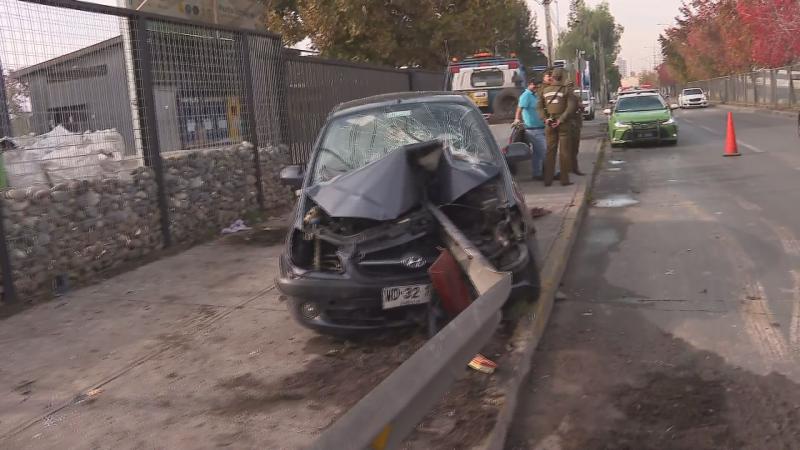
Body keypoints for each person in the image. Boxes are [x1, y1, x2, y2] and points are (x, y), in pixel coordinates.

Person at [536, 67, 577, 186]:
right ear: (562, 77)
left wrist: (545, 119)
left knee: (550, 152)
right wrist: (561, 119)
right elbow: (570, 108)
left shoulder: (544, 91)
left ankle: (548, 180)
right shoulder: (566, 90)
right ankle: (564, 180)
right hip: (563, 124)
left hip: (549, 123)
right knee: (564, 152)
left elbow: (538, 107)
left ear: (552, 77)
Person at [513, 78, 546, 180]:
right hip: (533, 129)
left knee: (536, 153)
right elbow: (519, 108)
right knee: (545, 151)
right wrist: (517, 119)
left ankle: (537, 173)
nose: (537, 88)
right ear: (530, 84)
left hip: (539, 128)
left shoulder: (534, 95)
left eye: (538, 86)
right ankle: (551, 172)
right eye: (535, 86)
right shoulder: (526, 95)